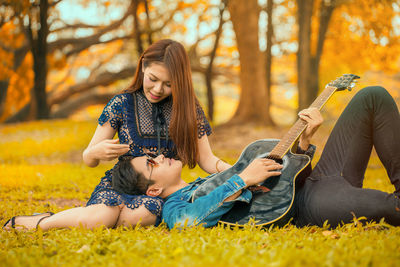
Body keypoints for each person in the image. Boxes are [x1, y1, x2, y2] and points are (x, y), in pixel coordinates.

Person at [2, 39, 231, 231]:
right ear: (143, 67)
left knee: (144, 213)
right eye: (152, 79)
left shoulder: (189, 108)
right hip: (122, 185)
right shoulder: (122, 103)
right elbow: (88, 159)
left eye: (168, 84)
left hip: (161, 192)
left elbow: (207, 159)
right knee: (105, 212)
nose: (158, 89)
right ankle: (42, 223)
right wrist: (96, 151)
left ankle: (93, 218)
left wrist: (235, 170)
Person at [116, 86, 400, 229]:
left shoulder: (208, 180)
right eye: (151, 163)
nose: (161, 156)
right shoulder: (175, 206)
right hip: (308, 204)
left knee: (372, 96)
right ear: (153, 190)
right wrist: (242, 179)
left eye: (154, 155)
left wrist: (303, 143)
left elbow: (282, 173)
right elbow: (187, 222)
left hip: (321, 175)